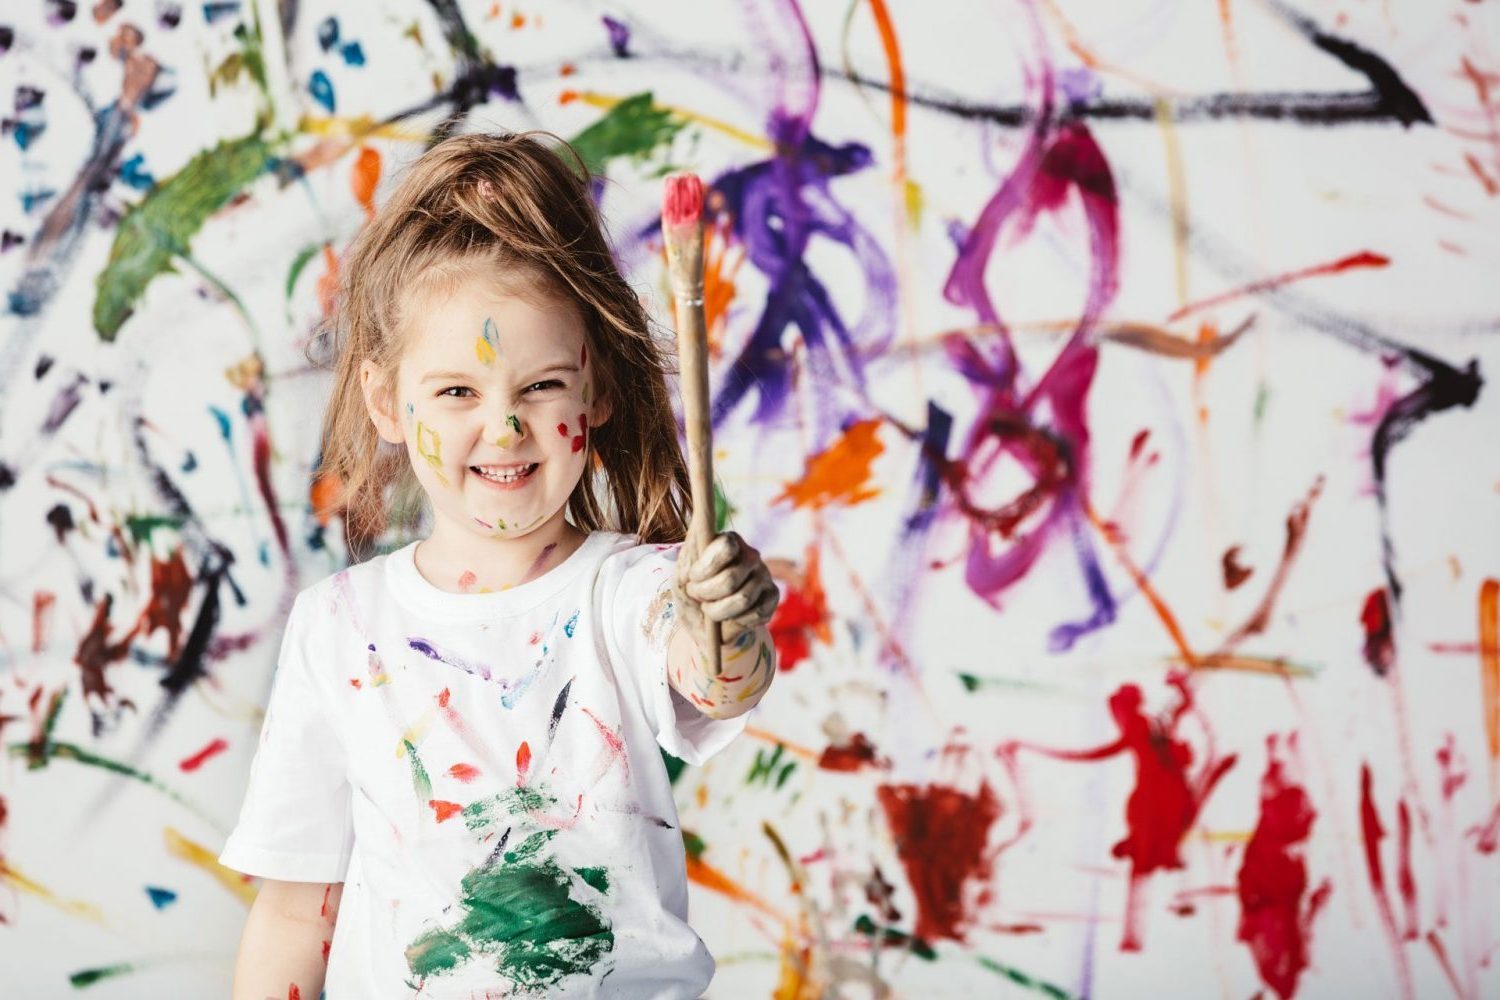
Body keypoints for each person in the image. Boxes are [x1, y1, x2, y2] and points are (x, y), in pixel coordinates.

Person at [218, 131, 781, 999]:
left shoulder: (628, 593)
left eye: (542, 386)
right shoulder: (338, 628)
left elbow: (713, 678)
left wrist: (726, 624)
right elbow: (296, 912)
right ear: (386, 401)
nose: (507, 428)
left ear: (594, 389)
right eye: (457, 392)